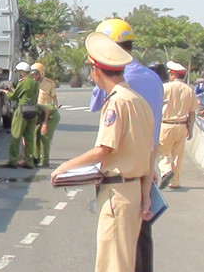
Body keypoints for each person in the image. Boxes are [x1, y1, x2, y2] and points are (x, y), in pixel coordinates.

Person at [52, 32, 153, 272]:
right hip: (134, 190)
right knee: (124, 261)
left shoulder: (116, 102)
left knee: (112, 264)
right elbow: (151, 153)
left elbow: (103, 150)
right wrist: (146, 195)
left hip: (116, 193)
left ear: (97, 72)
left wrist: (64, 167)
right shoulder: (140, 101)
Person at [89, 18, 163, 272]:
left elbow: (96, 106)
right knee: (141, 240)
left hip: (121, 175)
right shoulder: (153, 78)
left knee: (116, 252)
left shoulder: (119, 83)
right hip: (146, 167)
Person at [156, 61, 198, 190]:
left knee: (162, 152)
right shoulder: (189, 90)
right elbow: (192, 112)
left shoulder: (165, 88)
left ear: (172, 74)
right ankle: (175, 181)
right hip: (182, 126)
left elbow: (157, 106)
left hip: (166, 125)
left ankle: (166, 171)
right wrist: (190, 129)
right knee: (178, 155)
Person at [0, 62, 39, 169]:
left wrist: (5, 92)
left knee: (15, 137)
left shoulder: (23, 83)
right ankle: (29, 162)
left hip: (22, 111)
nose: (18, 75)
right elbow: (23, 95)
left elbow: (13, 97)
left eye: (19, 72)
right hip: (33, 112)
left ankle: (13, 161)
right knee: (29, 138)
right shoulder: (34, 83)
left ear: (22, 73)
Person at [31, 62, 60, 167]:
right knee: (35, 135)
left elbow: (54, 98)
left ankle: (45, 161)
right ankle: (36, 158)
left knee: (44, 137)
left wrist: (45, 123)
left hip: (49, 114)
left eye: (36, 74)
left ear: (41, 74)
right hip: (39, 112)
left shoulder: (49, 84)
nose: (34, 76)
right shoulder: (32, 83)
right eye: (32, 74)